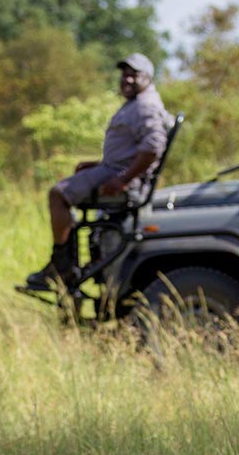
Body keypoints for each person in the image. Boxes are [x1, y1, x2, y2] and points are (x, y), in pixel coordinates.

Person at [25, 52, 172, 292]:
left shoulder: (145, 106)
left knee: (58, 194)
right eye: (124, 74)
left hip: (122, 178)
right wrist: (97, 164)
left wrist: (123, 180)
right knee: (65, 190)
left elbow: (153, 148)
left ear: (147, 77)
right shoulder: (136, 104)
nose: (126, 79)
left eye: (133, 75)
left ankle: (61, 265)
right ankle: (70, 263)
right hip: (113, 170)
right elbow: (134, 149)